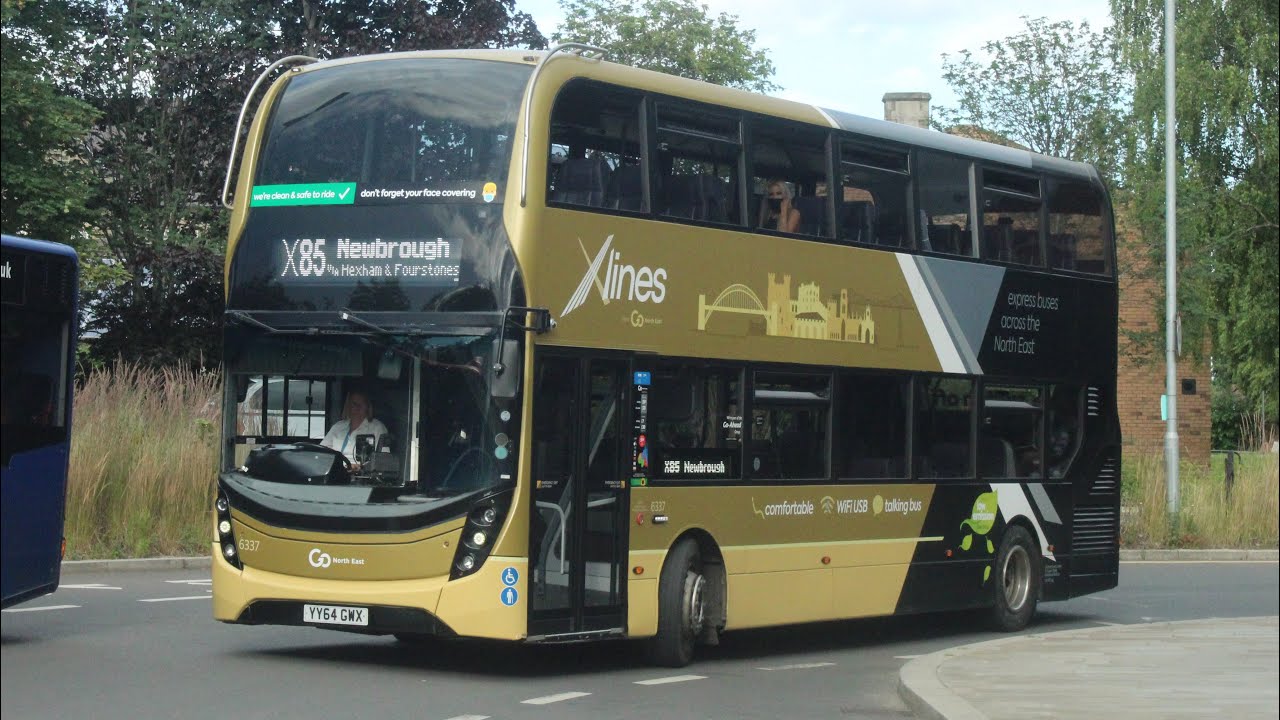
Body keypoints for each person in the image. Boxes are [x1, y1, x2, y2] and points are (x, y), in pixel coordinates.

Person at [320, 390, 388, 470]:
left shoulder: (377, 428)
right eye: (354, 404)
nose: (357, 407)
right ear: (348, 406)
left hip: (362, 477)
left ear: (368, 406)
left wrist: (361, 467)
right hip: (335, 472)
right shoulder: (338, 426)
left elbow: (384, 460)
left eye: (361, 404)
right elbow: (321, 452)